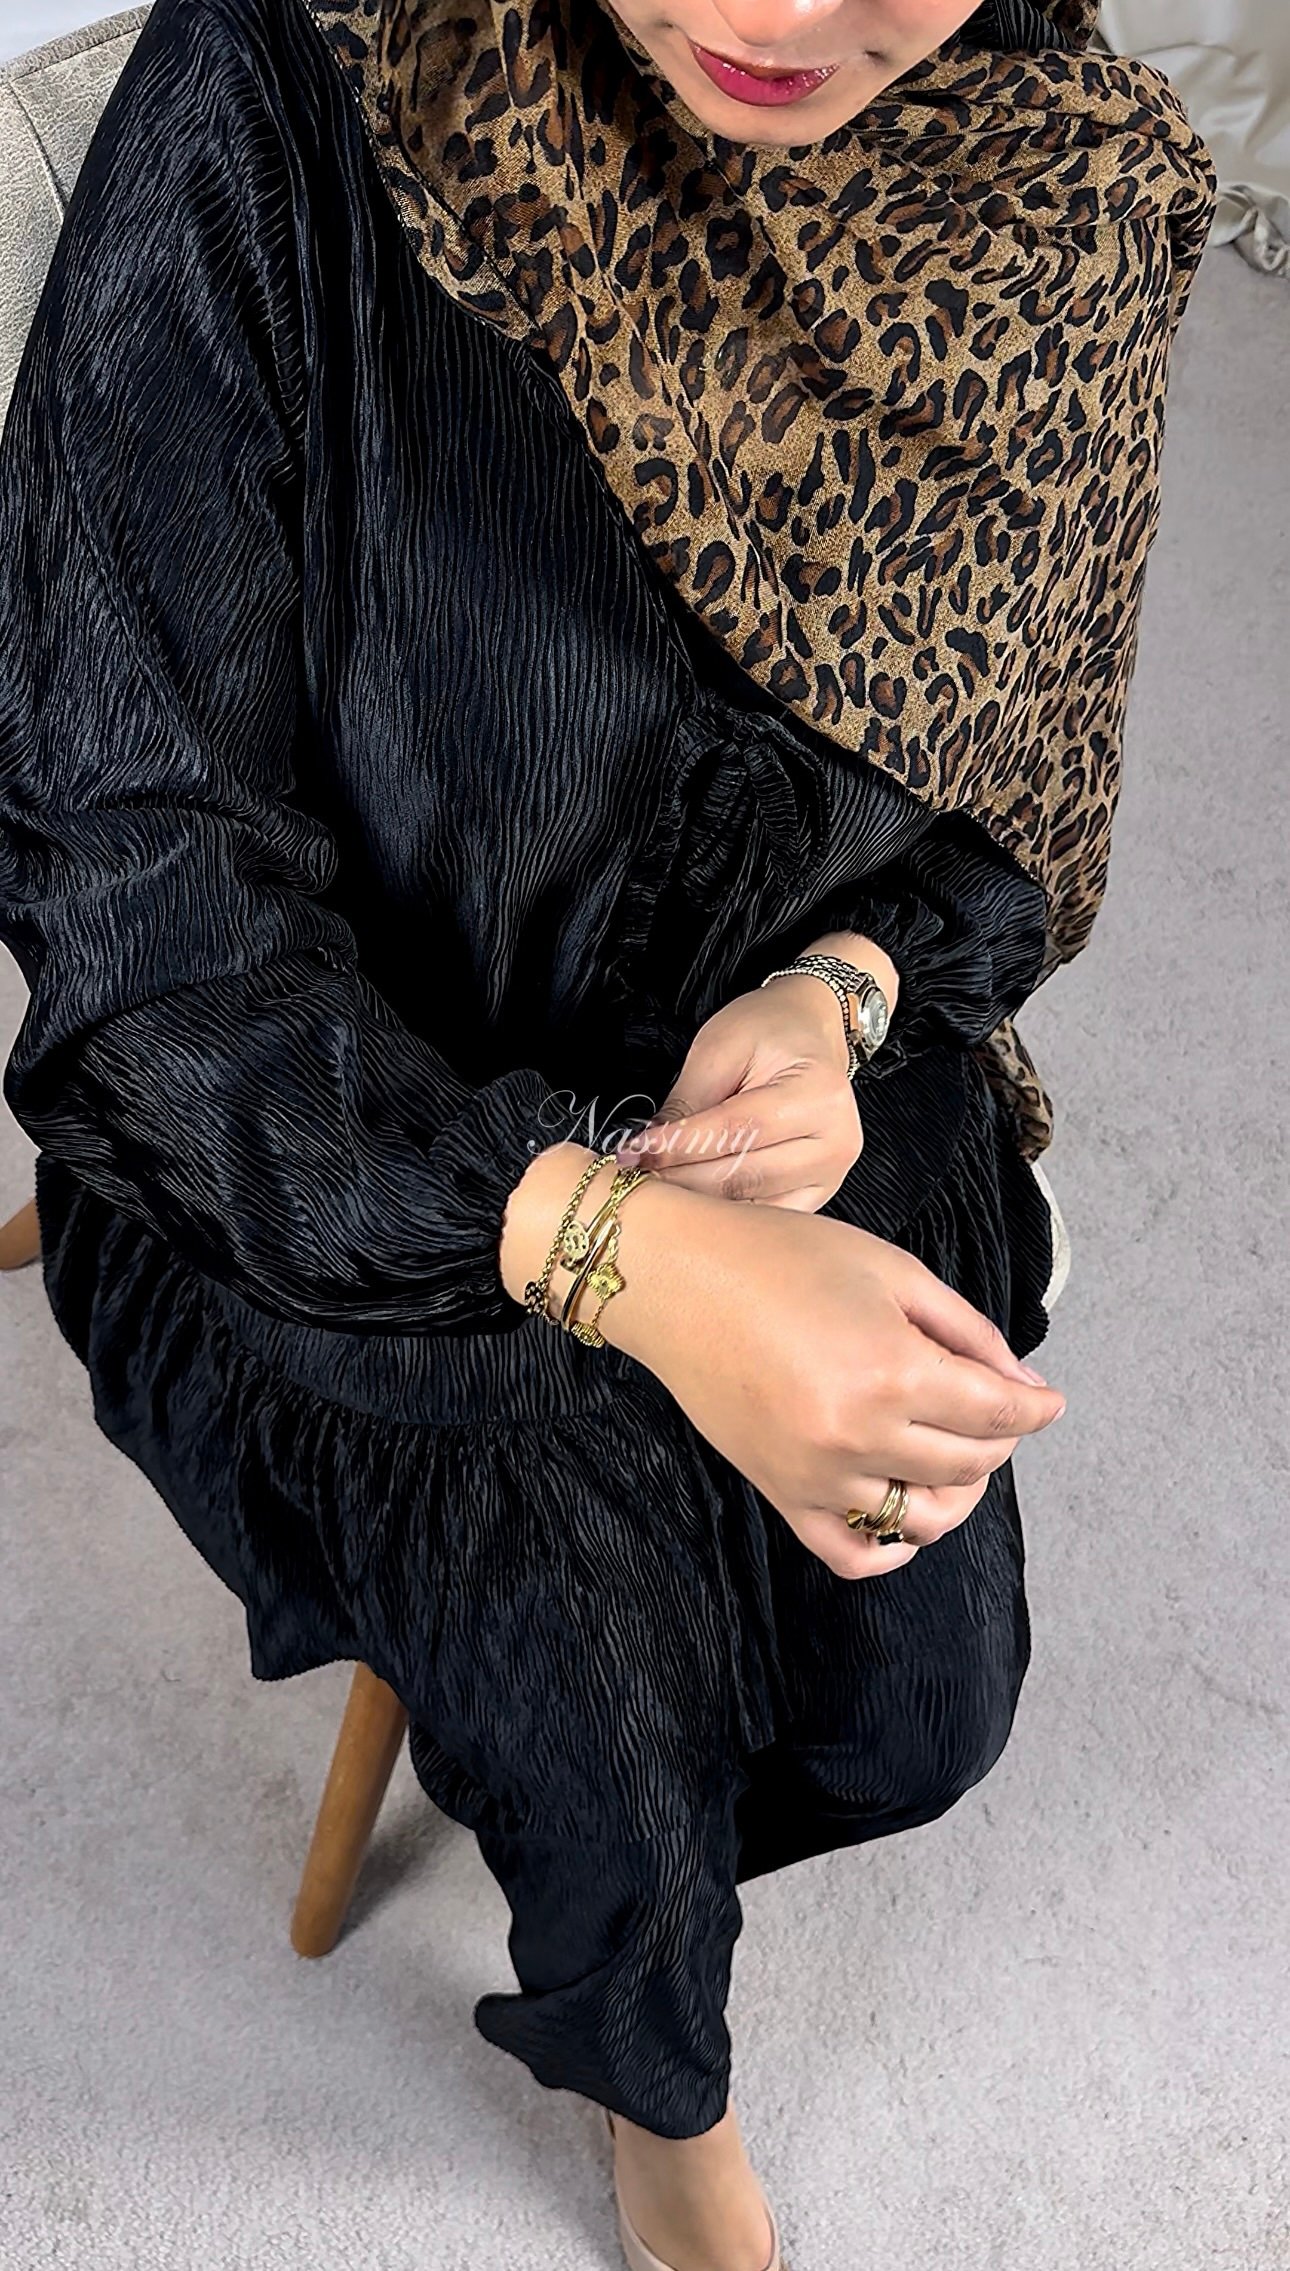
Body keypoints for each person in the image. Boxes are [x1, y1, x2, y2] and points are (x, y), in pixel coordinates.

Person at [0, 2, 1213, 2267]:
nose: (778, 16)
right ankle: (665, 2100)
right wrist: (607, 1249)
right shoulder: (298, 84)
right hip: (331, 1140)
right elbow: (138, 924)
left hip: (790, 1076)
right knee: (603, 1744)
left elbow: (1008, 810)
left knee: (920, 1714)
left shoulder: (1057, 186)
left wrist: (839, 994)